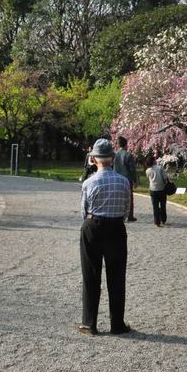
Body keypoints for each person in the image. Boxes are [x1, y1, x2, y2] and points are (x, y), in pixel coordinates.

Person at [77, 138, 131, 336]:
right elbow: (126, 210)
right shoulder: (123, 181)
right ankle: (117, 324)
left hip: (93, 226)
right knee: (117, 277)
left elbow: (84, 211)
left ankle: (89, 323)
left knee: (91, 275)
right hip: (116, 228)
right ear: (113, 158)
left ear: (94, 159)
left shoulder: (89, 182)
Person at [112, 136, 138, 222]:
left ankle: (117, 213)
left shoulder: (114, 154)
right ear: (126, 144)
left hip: (116, 178)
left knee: (117, 196)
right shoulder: (128, 155)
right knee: (129, 197)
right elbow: (132, 169)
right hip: (127, 179)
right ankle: (130, 216)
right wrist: (135, 180)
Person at [145, 153, 170, 227]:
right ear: (153, 161)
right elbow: (165, 178)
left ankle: (157, 222)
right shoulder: (160, 168)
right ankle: (163, 219)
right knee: (163, 205)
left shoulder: (147, 171)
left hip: (153, 190)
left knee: (155, 207)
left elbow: (148, 179)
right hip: (161, 189)